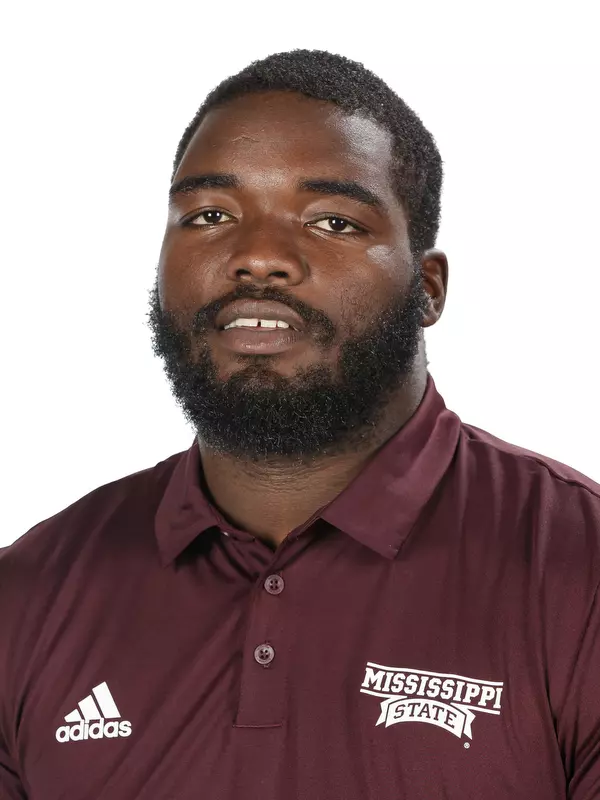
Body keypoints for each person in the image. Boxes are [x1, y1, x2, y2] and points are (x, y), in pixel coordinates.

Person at [1, 48, 599, 800]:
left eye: (332, 221)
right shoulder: (27, 595)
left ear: (428, 288)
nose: (257, 258)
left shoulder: (579, 571)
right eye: (210, 215)